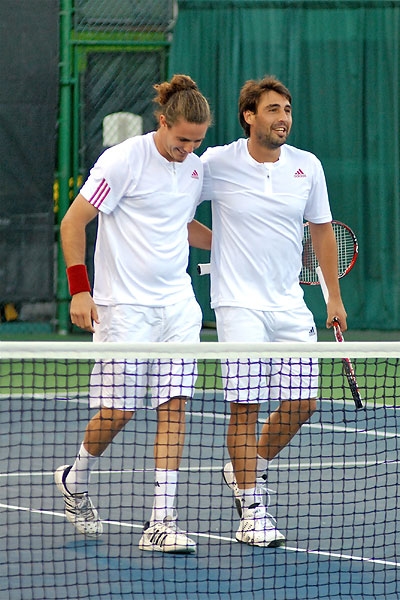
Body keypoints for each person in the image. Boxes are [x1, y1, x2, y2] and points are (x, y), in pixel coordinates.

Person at [55, 74, 212, 554]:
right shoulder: (122, 161)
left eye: (197, 141)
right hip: (123, 308)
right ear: (161, 122)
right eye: (182, 139)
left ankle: (161, 521)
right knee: (119, 411)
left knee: (175, 405)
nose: (189, 149)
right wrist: (79, 292)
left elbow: (182, 224)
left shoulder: (194, 169)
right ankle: (74, 478)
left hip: (178, 307)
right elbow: (73, 222)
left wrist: (235, 244)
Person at [200, 75, 347, 547]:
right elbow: (173, 208)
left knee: (304, 403)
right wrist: (217, 244)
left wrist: (333, 297)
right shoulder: (216, 162)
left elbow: (321, 230)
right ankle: (252, 509)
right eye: (273, 110)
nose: (283, 118)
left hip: (289, 303)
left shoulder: (307, 166)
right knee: (245, 407)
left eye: (287, 110)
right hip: (237, 304)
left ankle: (246, 468)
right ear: (249, 115)